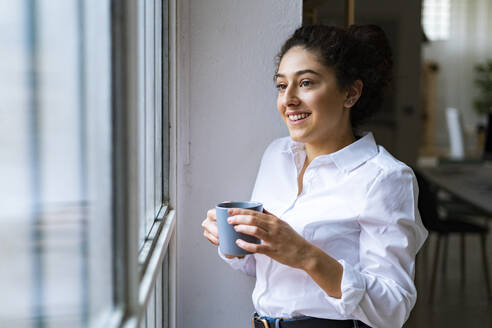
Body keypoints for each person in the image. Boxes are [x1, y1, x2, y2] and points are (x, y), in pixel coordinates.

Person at [201, 24, 428, 328]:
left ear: (351, 92)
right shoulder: (276, 156)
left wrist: (306, 255)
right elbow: (265, 269)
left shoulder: (385, 178)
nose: (289, 99)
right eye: (282, 86)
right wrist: (237, 240)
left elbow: (393, 308)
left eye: (306, 83)